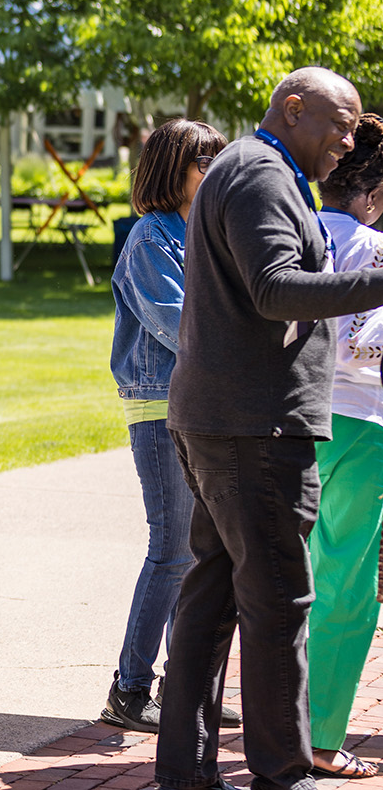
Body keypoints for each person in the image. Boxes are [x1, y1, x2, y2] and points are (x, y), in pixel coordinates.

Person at [156, 68, 383, 790]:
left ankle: (187, 773)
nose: (349, 142)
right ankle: (286, 776)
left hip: (227, 420)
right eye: (341, 124)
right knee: (279, 602)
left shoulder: (251, 170)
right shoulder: (260, 174)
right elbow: (275, 288)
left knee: (213, 596)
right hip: (254, 428)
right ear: (293, 109)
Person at [104, 118, 236, 734]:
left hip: (202, 406)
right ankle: (131, 690)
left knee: (206, 553)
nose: (213, 169)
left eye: (218, 157)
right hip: (161, 406)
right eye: (201, 160)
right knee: (174, 548)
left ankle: (189, 688)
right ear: (169, 169)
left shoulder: (201, 231)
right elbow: (177, 322)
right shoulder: (151, 237)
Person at [307, 114, 383, 780]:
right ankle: (323, 733)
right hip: (361, 424)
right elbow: (370, 343)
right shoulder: (372, 248)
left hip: (293, 417)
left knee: (290, 575)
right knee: (349, 584)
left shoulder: (298, 230)